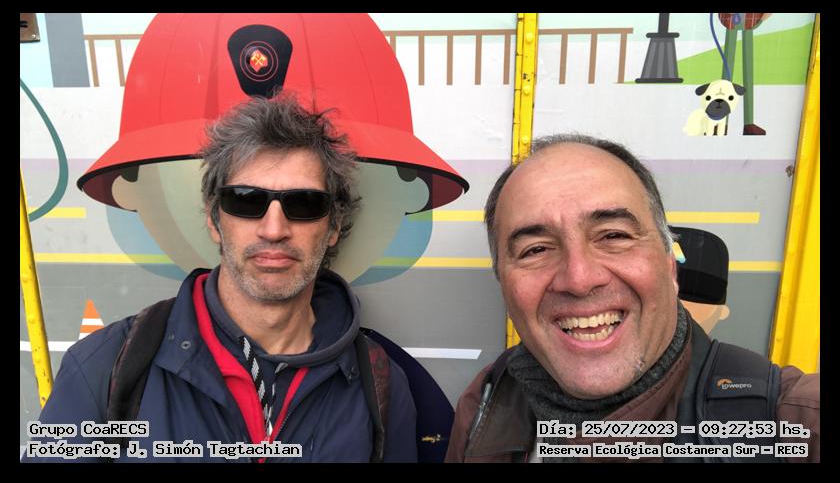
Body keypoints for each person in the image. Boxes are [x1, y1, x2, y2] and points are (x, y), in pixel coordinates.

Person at [22, 96, 417, 463]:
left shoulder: (380, 385)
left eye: (304, 203)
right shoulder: (101, 367)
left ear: (333, 227)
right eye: (246, 200)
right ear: (214, 219)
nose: (274, 229)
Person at [445, 134, 819, 463]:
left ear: (670, 266)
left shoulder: (796, 422)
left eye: (614, 236)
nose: (579, 279)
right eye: (536, 249)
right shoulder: (486, 404)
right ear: (504, 283)